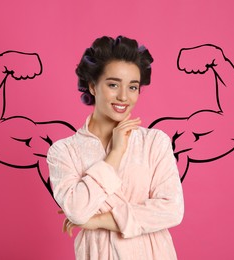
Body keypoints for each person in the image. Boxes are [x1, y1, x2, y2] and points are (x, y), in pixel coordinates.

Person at [47, 36, 184, 259]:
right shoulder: (63, 152)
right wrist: (116, 153)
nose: (123, 96)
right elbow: (78, 210)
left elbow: (171, 210)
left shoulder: (154, 142)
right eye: (113, 84)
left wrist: (98, 220)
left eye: (133, 87)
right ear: (92, 86)